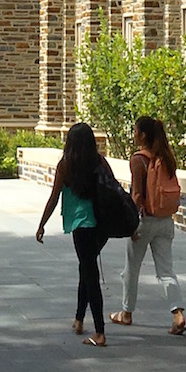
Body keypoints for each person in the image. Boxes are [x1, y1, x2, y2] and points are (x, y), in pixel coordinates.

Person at [35, 122, 114, 346]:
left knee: (90, 274)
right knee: (86, 269)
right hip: (101, 226)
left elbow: (54, 197)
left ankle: (99, 332)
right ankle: (79, 319)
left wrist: (42, 224)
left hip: (81, 224)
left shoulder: (66, 166)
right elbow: (113, 188)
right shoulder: (100, 162)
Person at [109, 115, 186, 335]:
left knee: (131, 269)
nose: (133, 135)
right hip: (165, 220)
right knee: (166, 271)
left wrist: (130, 224)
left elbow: (136, 195)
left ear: (143, 135)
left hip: (145, 221)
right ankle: (177, 313)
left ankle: (126, 313)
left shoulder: (138, 160)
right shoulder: (166, 156)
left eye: (135, 131)